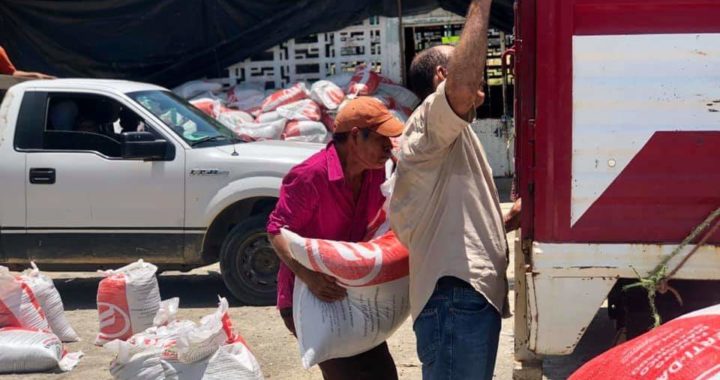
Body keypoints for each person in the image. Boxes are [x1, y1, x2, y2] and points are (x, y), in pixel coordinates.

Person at [390, 1, 509, 379]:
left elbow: (457, 219)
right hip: (457, 301)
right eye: (466, 64)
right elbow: (461, 88)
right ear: (443, 75)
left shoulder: (451, 137)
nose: (477, 79)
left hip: (462, 302)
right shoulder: (431, 118)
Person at [267, 97, 403, 380]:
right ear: (355, 137)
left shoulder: (376, 171)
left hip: (350, 291)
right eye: (382, 140)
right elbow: (276, 231)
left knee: (383, 374)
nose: (389, 148)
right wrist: (310, 277)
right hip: (306, 295)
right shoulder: (310, 176)